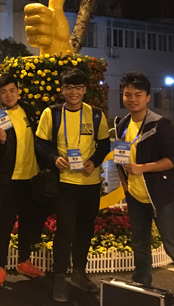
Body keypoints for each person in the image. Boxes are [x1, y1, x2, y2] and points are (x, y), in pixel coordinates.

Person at [116, 72, 174, 295]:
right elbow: (120, 159)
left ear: (148, 97)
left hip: (161, 196)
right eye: (128, 94)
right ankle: (142, 290)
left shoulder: (159, 124)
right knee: (139, 246)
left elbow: (171, 160)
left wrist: (142, 168)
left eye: (138, 95)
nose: (132, 99)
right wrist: (126, 187)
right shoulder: (122, 124)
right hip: (136, 197)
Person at [35, 68, 111, 302]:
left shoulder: (95, 114)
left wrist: (94, 161)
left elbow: (104, 144)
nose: (74, 92)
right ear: (62, 90)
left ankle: (79, 272)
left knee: (85, 229)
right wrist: (54, 158)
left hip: (90, 183)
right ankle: (60, 276)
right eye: (69, 87)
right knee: (65, 230)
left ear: (85, 90)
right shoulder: (52, 113)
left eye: (78, 87)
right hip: (64, 183)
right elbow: (40, 142)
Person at [0, 74, 49, 288]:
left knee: (27, 222)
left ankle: (24, 262)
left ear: (18, 91)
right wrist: (1, 142)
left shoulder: (28, 110)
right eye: (4, 92)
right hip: (10, 180)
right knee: (5, 223)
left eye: (12, 90)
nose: (9, 95)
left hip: (31, 178)